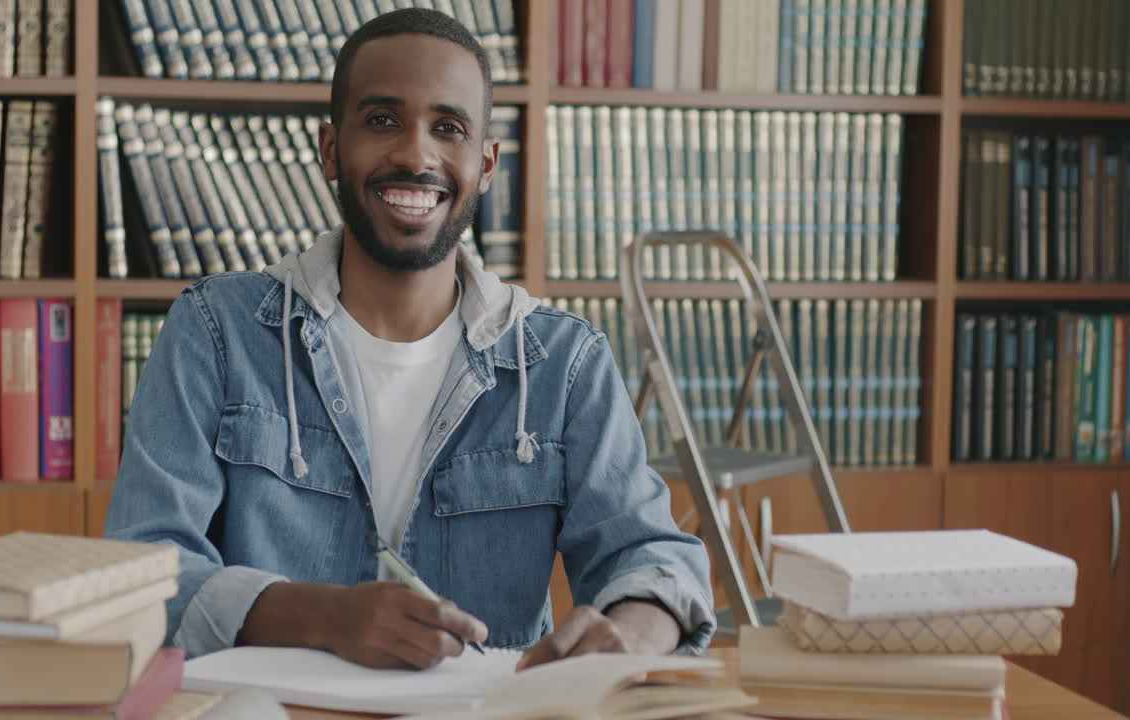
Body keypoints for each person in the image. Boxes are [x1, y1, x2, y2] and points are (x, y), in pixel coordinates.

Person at [103, 7, 714, 671]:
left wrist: (636, 632)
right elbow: (142, 572)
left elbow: (654, 556)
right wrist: (324, 618)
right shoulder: (215, 330)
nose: (416, 155)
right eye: (382, 120)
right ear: (330, 149)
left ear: (486, 163)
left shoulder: (565, 364)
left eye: (448, 128)